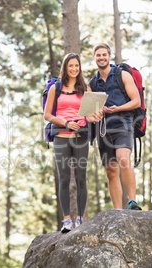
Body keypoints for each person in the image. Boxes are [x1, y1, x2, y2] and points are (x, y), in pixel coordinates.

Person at [44, 53, 103, 233]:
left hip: (80, 137)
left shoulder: (85, 88)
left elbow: (91, 116)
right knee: (63, 179)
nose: (74, 69)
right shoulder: (56, 87)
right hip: (62, 136)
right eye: (71, 66)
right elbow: (47, 115)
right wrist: (66, 122)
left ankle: (80, 219)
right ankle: (67, 221)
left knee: (80, 179)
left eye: (76, 66)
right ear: (65, 67)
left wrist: (96, 116)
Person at [88, 43, 142, 210]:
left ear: (109, 56)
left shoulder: (122, 75)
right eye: (98, 55)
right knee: (111, 171)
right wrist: (96, 113)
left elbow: (136, 101)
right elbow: (89, 113)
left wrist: (118, 108)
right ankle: (118, 211)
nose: (101, 58)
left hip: (123, 123)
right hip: (103, 129)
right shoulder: (92, 83)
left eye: (104, 54)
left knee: (123, 158)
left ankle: (132, 201)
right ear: (94, 58)